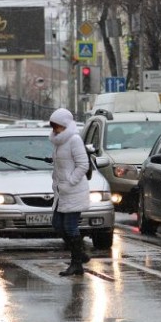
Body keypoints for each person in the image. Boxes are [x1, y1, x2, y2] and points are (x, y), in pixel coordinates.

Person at [49, 108, 90, 276]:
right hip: (61, 191)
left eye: (57, 125)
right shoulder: (59, 142)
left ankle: (76, 263)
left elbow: (83, 165)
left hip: (74, 191)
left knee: (70, 226)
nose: (54, 129)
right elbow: (62, 164)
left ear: (64, 125)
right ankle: (79, 254)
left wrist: (70, 181)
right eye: (53, 126)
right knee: (57, 224)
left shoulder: (74, 140)